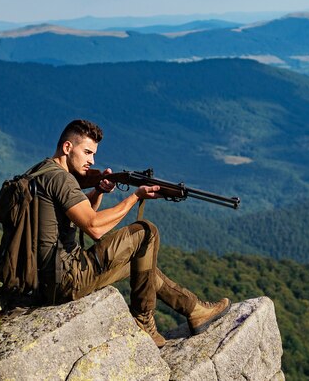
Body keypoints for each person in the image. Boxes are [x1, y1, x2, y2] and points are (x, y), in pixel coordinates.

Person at [32, 119, 230, 347]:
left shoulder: (41, 171)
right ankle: (144, 322)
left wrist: (98, 190)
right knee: (146, 232)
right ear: (67, 148)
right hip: (65, 280)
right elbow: (94, 227)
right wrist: (135, 197)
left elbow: (77, 215)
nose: (91, 161)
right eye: (87, 152)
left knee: (139, 268)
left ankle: (194, 310)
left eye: (93, 154)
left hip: (44, 280)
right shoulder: (62, 180)